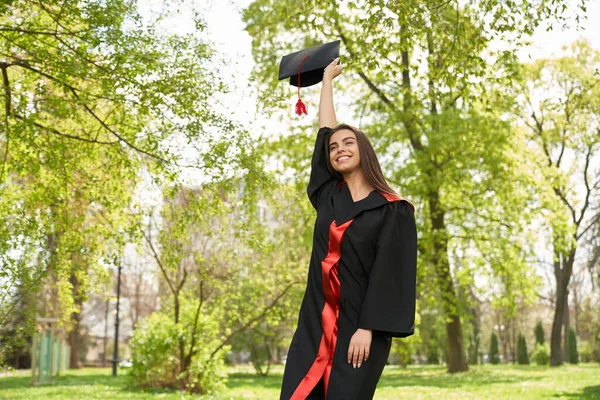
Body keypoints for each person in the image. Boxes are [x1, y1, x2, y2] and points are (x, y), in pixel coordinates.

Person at [279, 58, 418, 400]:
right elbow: (325, 130)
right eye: (334, 147)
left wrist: (367, 329)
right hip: (314, 325)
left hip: (359, 331)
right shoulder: (328, 197)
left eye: (349, 143)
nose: (339, 149)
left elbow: (389, 276)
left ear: (364, 151)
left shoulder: (392, 209)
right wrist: (326, 80)